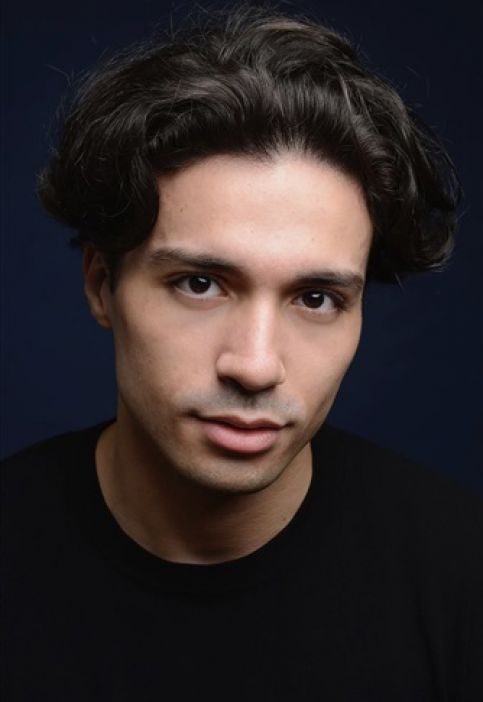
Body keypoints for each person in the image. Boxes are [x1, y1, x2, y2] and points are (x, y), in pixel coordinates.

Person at [2, 4, 482, 700]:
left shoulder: (461, 577)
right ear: (103, 285)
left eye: (315, 297)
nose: (255, 365)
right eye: (200, 284)